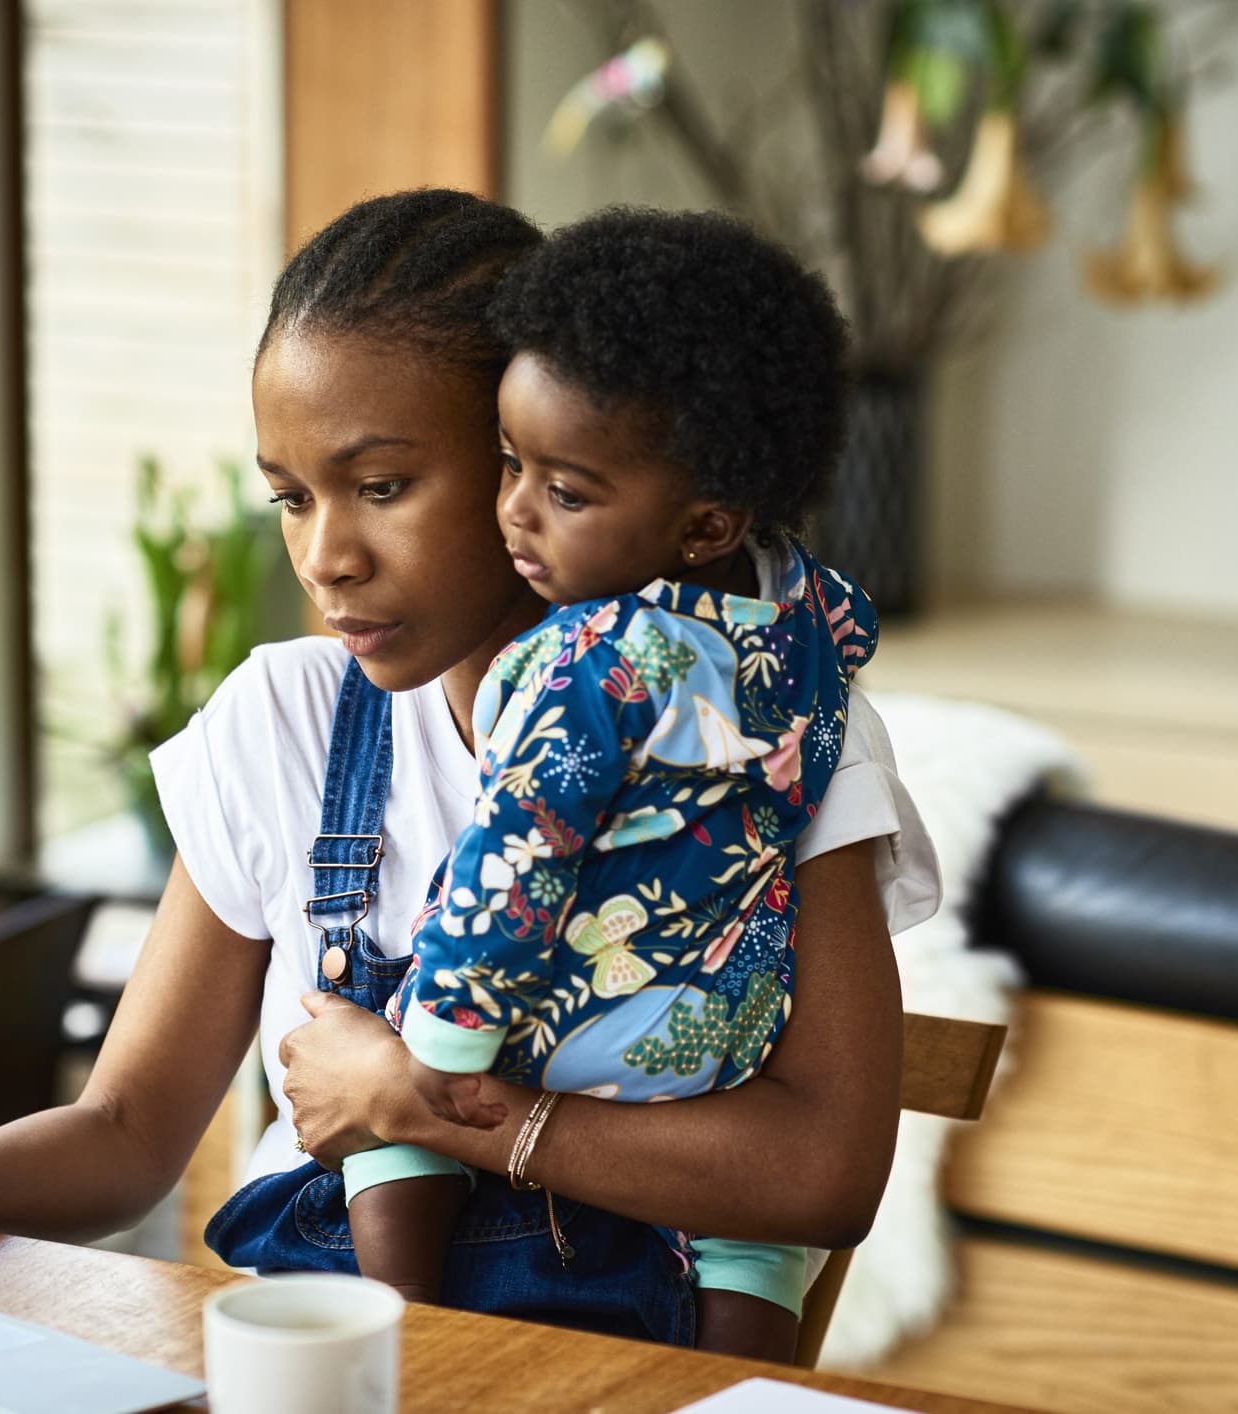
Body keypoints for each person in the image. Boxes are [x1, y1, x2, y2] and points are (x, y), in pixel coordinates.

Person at [0, 189, 935, 1357]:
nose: (326, 557)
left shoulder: (766, 730)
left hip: (610, 1350)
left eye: (381, 486)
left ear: (523, 445)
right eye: (289, 496)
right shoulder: (284, 719)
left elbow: (822, 1171)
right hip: (324, 1348)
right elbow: (124, 1136)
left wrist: (424, 1106)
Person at [316, 208, 875, 1364]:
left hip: (562, 1041)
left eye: (565, 491)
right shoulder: (818, 624)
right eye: (509, 464)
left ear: (705, 520)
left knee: (383, 1136)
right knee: (752, 1259)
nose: (515, 508)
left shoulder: (588, 662)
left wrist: (430, 1068)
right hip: (719, 1062)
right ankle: (734, 1369)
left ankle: (405, 1335)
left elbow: (512, 864)